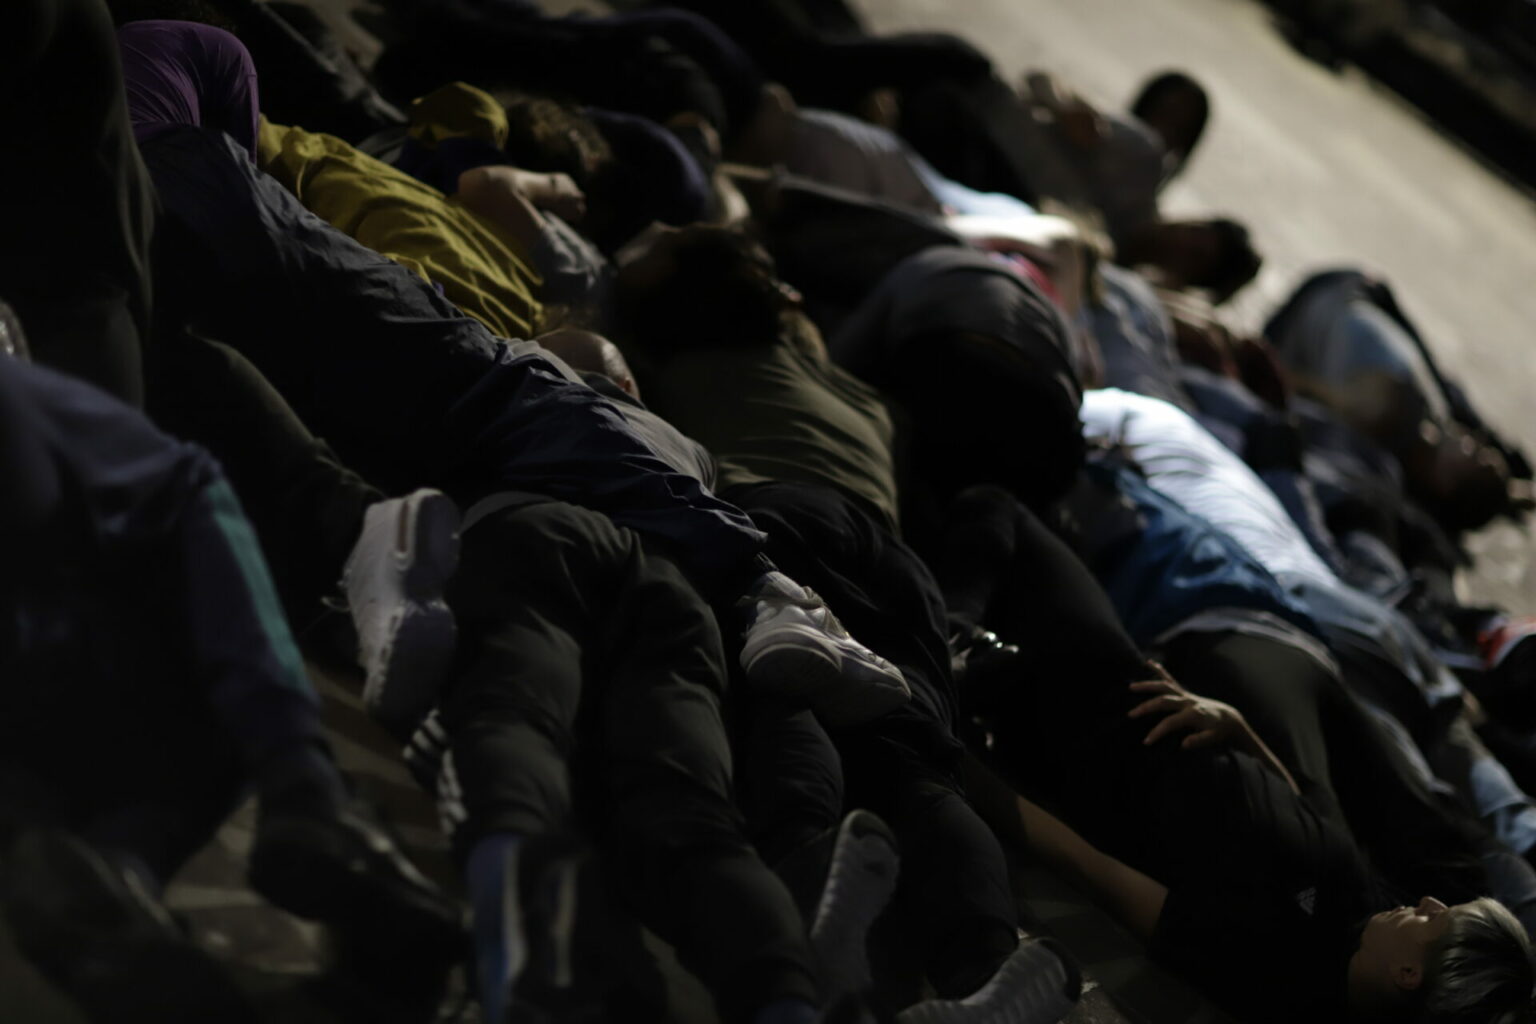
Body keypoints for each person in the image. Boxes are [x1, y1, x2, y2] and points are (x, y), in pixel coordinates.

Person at [613, 227, 1080, 1020]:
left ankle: (810, 897)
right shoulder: (860, 397)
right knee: (918, 764)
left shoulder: (671, 363)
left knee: (786, 694)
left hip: (773, 511)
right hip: (895, 561)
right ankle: (986, 972)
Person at [0, 339, 464, 1024]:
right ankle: (288, 809)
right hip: (151, 673)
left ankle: (112, 871)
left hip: (101, 679)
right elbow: (182, 487)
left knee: (54, 846)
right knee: (177, 497)